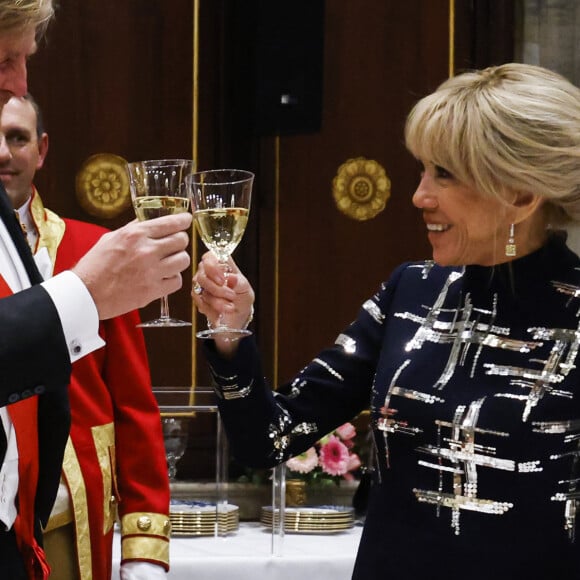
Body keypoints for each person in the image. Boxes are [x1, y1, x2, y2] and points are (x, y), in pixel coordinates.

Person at [192, 62, 580, 579]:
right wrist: (230, 335)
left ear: (521, 196)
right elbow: (269, 439)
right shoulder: (412, 290)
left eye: (444, 174)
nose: (419, 195)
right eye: (422, 169)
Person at [0, 1, 191, 578]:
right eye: (7, 58)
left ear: (43, 148)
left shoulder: (89, 245)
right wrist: (80, 297)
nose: (20, 80)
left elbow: (134, 404)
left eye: (18, 137)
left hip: (66, 517)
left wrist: (145, 550)